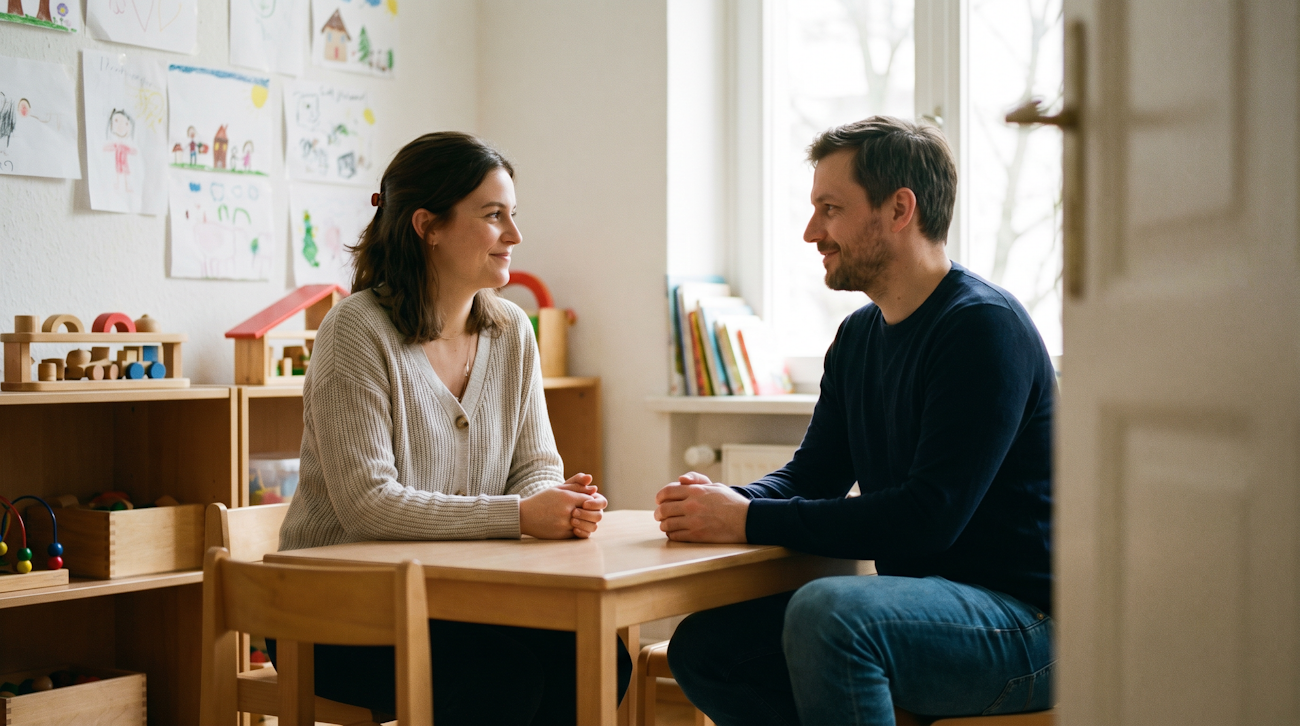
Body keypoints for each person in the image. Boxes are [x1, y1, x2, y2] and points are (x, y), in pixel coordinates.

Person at [656, 116, 1055, 726]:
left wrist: (749, 517)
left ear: (900, 209)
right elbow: (813, 474)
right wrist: (727, 500)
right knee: (708, 648)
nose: (813, 231)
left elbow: (929, 519)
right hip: (929, 615)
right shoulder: (857, 337)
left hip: (1026, 626)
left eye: (830, 208)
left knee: (832, 613)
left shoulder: (982, 328)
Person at [274, 132, 631, 725]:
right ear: (428, 225)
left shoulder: (512, 329)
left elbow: (534, 463)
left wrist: (554, 501)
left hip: (459, 601)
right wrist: (521, 516)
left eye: (513, 216)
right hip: (333, 616)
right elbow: (368, 505)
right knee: (501, 678)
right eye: (494, 216)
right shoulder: (354, 332)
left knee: (598, 658)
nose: (514, 236)